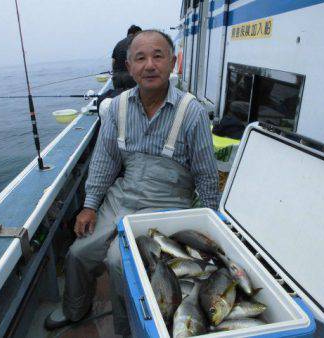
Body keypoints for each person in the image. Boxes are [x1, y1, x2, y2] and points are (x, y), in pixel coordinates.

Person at [45, 29, 219, 336]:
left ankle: (127, 330)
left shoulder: (192, 112)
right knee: (78, 252)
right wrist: (88, 206)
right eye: (140, 58)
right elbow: (104, 161)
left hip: (166, 203)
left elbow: (206, 176)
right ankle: (75, 308)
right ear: (129, 66)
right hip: (121, 195)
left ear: (172, 62)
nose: (149, 65)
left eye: (158, 56)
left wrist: (208, 227)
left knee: (117, 261)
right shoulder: (117, 107)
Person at [111, 25, 142, 90]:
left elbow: (113, 61)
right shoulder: (137, 43)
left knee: (119, 98)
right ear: (137, 33)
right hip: (130, 77)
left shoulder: (118, 44)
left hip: (117, 77)